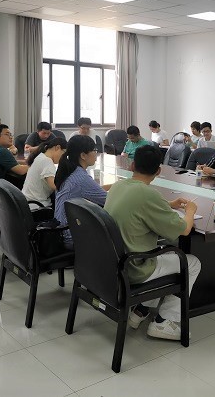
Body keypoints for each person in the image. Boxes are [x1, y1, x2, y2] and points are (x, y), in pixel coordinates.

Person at [104, 145, 201, 341]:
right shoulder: (148, 194)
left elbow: (140, 204)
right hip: (134, 268)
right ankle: (165, 321)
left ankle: (140, 310)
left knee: (167, 256)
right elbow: (184, 229)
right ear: (158, 171)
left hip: (113, 263)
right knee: (192, 263)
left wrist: (169, 204)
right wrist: (190, 211)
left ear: (132, 165)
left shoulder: (118, 186)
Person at [54, 135, 108, 247]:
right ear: (83, 155)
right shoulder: (80, 178)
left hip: (60, 231)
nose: (96, 154)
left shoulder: (70, 171)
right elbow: (108, 200)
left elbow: (94, 191)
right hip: (71, 236)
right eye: (94, 150)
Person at [22, 137, 68, 207]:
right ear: (57, 148)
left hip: (27, 202)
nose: (63, 158)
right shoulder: (47, 161)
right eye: (64, 153)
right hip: (38, 206)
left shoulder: (40, 156)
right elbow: (54, 186)